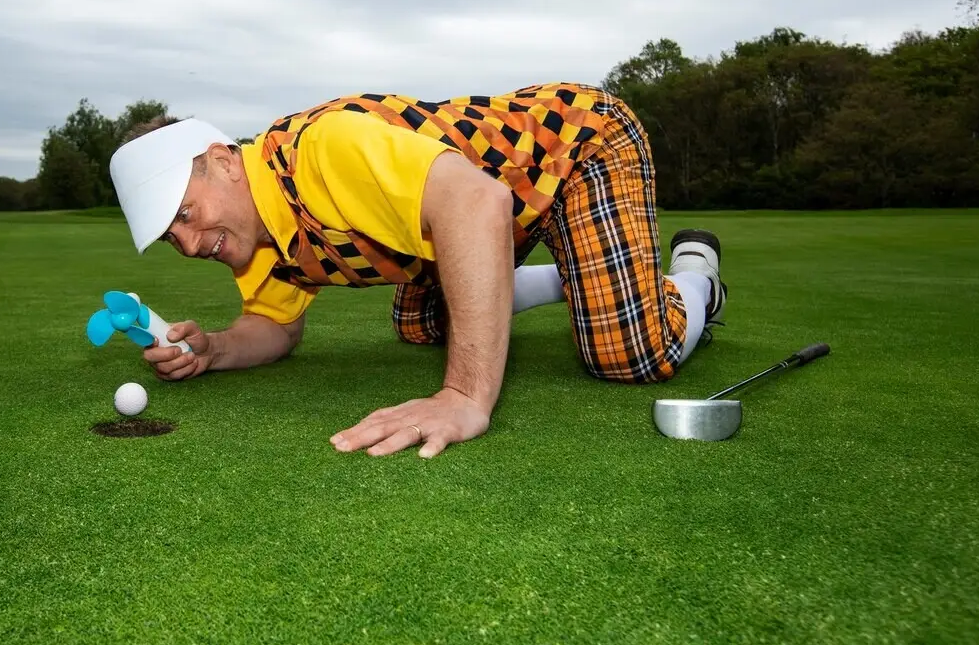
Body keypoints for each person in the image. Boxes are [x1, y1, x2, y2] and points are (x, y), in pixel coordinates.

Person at [107, 81, 727, 459]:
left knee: (629, 352)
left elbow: (479, 201)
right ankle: (585, 280)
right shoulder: (257, 235)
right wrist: (214, 349)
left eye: (185, 213)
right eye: (170, 236)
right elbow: (275, 327)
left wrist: (463, 396)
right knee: (422, 324)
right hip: (478, 219)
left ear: (224, 160)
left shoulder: (322, 151)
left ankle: (694, 273)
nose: (188, 244)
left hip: (575, 148)